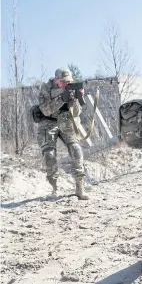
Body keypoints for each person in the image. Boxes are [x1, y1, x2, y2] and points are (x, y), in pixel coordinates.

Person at [36, 68, 89, 200]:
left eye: (69, 82)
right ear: (56, 80)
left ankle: (80, 186)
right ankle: (53, 188)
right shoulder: (46, 89)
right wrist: (61, 98)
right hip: (48, 122)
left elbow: (76, 113)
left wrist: (76, 99)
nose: (66, 84)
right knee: (49, 155)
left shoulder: (72, 88)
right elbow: (46, 111)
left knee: (76, 149)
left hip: (67, 120)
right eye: (63, 82)